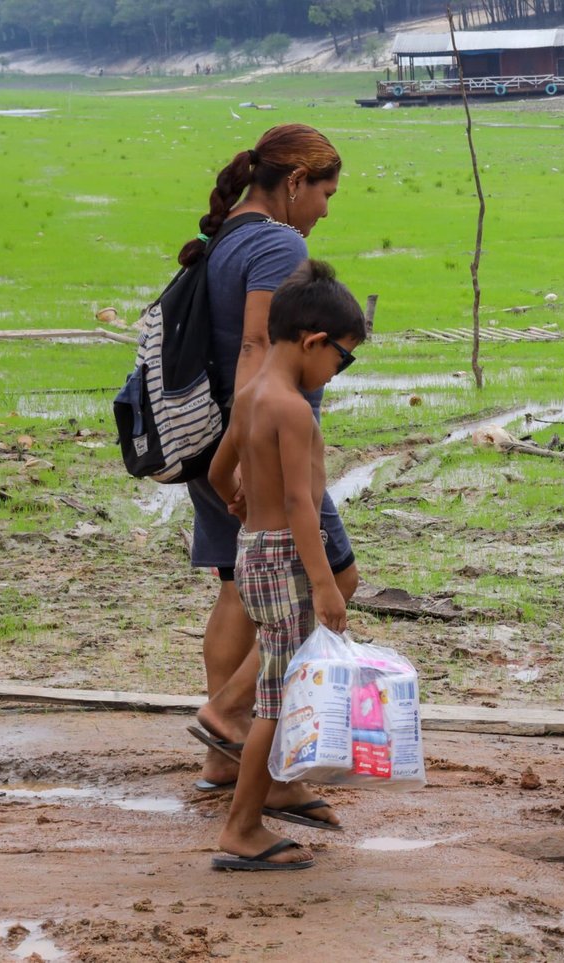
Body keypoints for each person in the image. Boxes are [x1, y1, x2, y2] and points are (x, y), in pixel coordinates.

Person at [180, 123, 356, 833]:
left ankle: (230, 757)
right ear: (294, 183)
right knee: (334, 579)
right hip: (262, 446)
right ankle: (229, 718)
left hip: (219, 438)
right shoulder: (279, 243)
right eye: (325, 192)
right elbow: (259, 341)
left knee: (236, 586)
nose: (325, 210)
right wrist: (254, 441)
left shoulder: (229, 234)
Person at [208, 259, 368, 870]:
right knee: (274, 701)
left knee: (280, 689)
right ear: (313, 342)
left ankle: (257, 807)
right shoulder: (294, 409)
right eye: (341, 358)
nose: (336, 371)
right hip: (285, 561)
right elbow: (303, 505)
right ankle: (242, 826)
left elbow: (221, 469)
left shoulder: (250, 396)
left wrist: (238, 496)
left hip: (253, 552)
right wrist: (327, 587)